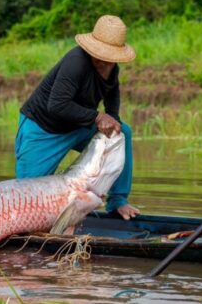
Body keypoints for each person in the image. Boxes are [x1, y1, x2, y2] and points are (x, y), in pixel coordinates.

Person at [15, 15, 140, 220]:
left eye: (111, 57)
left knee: (121, 133)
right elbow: (56, 105)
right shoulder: (76, 62)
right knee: (26, 202)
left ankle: (118, 201)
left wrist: (113, 119)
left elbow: (112, 94)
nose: (106, 62)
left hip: (78, 124)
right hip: (44, 129)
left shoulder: (112, 67)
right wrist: (98, 117)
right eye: (102, 56)